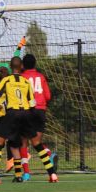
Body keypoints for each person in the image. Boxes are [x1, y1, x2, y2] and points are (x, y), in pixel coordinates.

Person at [0, 57, 57, 184]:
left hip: (12, 113)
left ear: (11, 67)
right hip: (26, 113)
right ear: (21, 67)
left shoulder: (6, 80)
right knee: (35, 143)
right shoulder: (25, 81)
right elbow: (32, 103)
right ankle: (52, 174)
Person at [20, 53, 56, 181]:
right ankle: (48, 155)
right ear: (35, 64)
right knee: (36, 142)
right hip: (40, 111)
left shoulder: (22, 77)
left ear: (23, 65)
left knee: (23, 142)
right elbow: (48, 96)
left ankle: (26, 173)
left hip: (27, 111)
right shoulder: (41, 77)